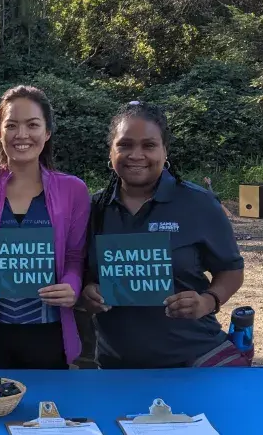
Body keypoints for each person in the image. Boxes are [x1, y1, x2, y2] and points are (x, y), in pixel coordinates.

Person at [81, 101, 248, 368]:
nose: (136, 155)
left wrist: (208, 301)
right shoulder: (92, 209)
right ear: (111, 152)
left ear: (164, 150)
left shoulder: (199, 204)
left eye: (149, 145)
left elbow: (231, 270)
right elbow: (83, 274)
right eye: (124, 145)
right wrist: (87, 293)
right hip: (116, 366)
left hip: (195, 360)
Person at [0, 86, 90, 369]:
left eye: (32, 125)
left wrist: (72, 287)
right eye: (12, 125)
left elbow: (76, 259)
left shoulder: (73, 191)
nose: (22, 135)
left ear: (48, 132)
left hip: (49, 334)